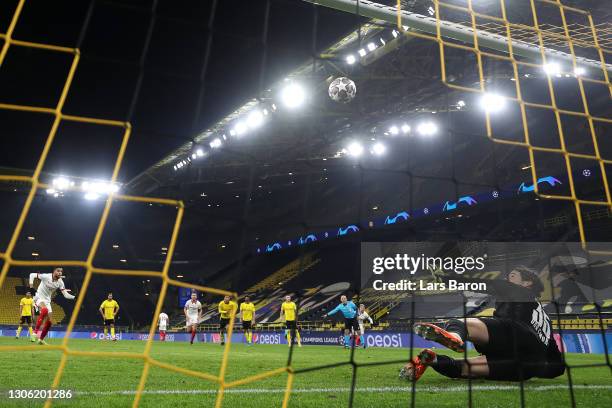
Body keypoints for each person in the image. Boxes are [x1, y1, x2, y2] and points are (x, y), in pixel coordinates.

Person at [401, 266, 565, 382]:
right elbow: (558, 368)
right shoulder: (546, 319)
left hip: (516, 335)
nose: (507, 278)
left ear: (527, 283)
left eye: (513, 275)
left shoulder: (519, 291)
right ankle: (433, 359)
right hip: (525, 366)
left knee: (459, 323)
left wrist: (445, 278)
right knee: (463, 369)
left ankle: (454, 336)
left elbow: (486, 284)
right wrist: (538, 369)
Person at [29, 268, 75, 345]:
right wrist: (31, 287)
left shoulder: (60, 282)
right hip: (38, 297)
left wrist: (74, 297)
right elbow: (32, 275)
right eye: (58, 271)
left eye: (61, 271)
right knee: (44, 310)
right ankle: (34, 333)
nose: (60, 273)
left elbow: (66, 295)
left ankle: (41, 339)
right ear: (54, 272)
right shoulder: (46, 276)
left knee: (50, 322)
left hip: (47, 301)